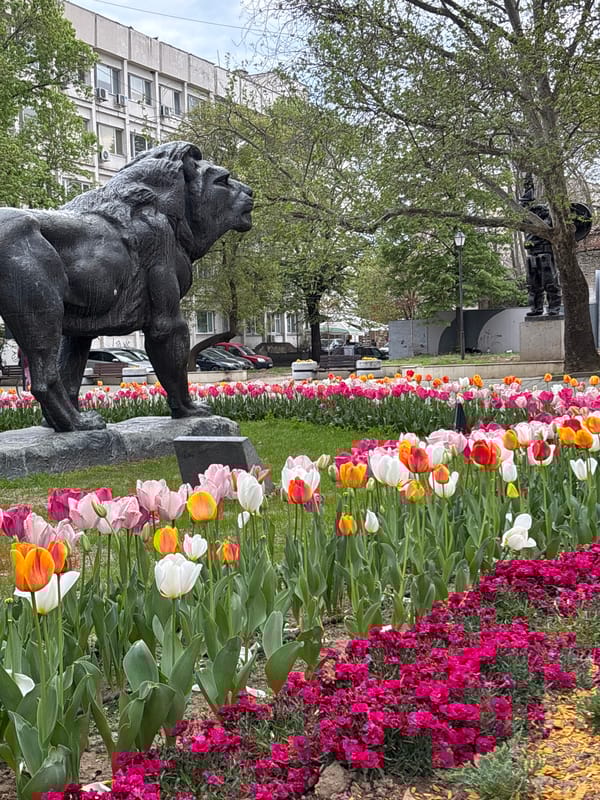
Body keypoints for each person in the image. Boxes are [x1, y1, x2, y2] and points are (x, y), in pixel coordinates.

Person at [519, 177, 561, 317]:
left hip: (545, 253)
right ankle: (536, 308)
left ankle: (554, 308)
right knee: (533, 285)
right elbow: (524, 204)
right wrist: (528, 187)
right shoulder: (527, 220)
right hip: (532, 254)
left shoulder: (549, 219)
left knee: (550, 282)